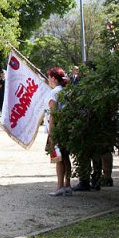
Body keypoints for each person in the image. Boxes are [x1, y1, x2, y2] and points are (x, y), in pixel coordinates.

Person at [45, 67, 71, 196]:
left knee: (58, 158)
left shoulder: (54, 93)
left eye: (49, 77)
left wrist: (51, 132)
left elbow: (53, 114)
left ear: (54, 78)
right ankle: (67, 185)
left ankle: (60, 186)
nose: (48, 80)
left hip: (57, 128)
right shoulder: (65, 91)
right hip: (66, 127)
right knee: (65, 157)